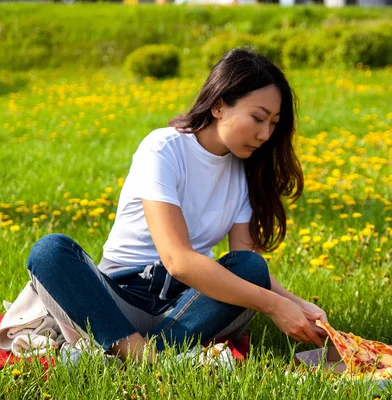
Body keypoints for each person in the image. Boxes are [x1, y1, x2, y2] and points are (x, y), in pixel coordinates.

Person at [26, 48, 329, 363]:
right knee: (51, 252)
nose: (265, 134)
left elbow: (246, 268)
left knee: (252, 268)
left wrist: (297, 304)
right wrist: (275, 306)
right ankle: (151, 359)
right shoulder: (163, 149)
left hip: (187, 307)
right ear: (218, 106)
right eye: (258, 118)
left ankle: (131, 357)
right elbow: (178, 260)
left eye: (273, 123)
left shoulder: (245, 171)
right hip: (121, 300)